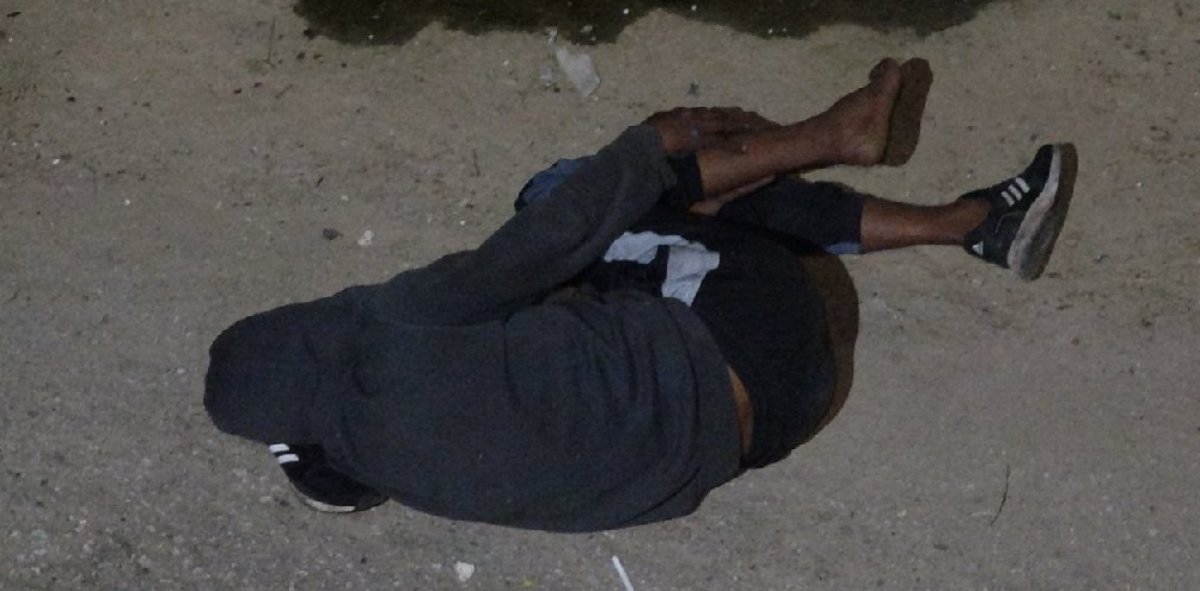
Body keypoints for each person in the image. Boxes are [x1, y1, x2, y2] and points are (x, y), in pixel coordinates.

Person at [204, 58, 1077, 531]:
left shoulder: (350, 454)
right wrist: (646, 143)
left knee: (611, 256)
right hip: (756, 332)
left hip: (757, 438)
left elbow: (327, 488)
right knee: (568, 194)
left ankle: (962, 219)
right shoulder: (392, 327)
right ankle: (852, 149)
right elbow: (551, 238)